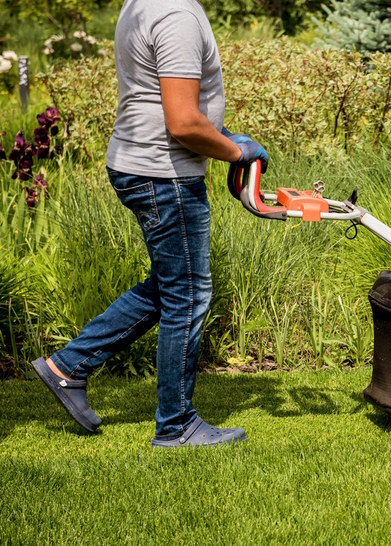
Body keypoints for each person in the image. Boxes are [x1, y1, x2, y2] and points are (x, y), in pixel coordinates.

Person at [31, 0, 268, 447]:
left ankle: (68, 367)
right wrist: (237, 152)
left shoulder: (144, 3)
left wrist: (220, 136)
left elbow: (159, 96)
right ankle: (176, 426)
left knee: (172, 286)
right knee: (189, 295)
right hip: (164, 175)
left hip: (142, 165)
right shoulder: (176, 16)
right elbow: (183, 123)